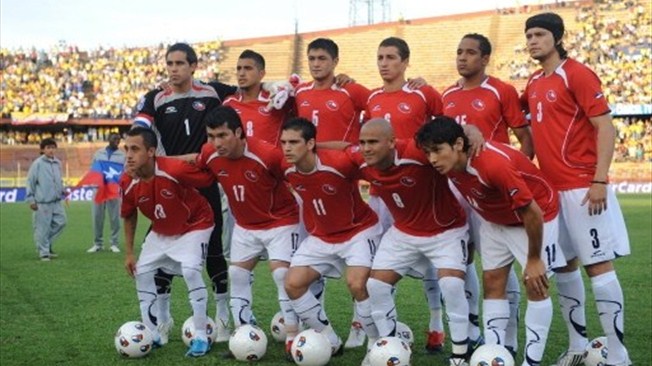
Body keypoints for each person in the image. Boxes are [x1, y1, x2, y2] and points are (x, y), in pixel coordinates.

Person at [522, 13, 631, 366]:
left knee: (598, 267)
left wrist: (599, 179)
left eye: (539, 34)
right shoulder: (535, 83)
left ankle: (618, 354)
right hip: (551, 194)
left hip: (584, 189)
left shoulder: (578, 74)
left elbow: (605, 127)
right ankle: (576, 347)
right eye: (528, 36)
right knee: (565, 267)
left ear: (557, 37)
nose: (532, 41)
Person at [415, 117, 567, 365]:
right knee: (493, 282)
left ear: (458, 144)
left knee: (535, 284)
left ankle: (532, 361)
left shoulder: (492, 164)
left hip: (535, 216)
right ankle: (494, 355)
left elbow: (532, 211)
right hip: (493, 219)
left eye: (437, 151)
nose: (432, 159)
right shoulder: (451, 160)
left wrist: (535, 258)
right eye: (428, 152)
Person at [132, 42, 235, 343]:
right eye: (170, 63)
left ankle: (224, 316)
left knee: (215, 250)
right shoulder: (155, 98)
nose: (174, 69)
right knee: (162, 247)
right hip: (167, 185)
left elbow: (250, 95)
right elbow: (140, 131)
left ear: (193, 66)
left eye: (179, 63)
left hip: (204, 184)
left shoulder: (214, 92)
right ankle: (163, 321)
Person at [346, 119, 471, 366]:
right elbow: (338, 149)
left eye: (373, 142)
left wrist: (472, 131)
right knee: (377, 286)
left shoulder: (417, 152)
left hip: (446, 230)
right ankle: (388, 348)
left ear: (392, 142)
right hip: (403, 232)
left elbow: (449, 140)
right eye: (362, 143)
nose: (366, 148)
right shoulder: (358, 159)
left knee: (452, 285)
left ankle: (460, 355)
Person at [442, 33, 535, 354]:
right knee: (460, 258)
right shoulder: (448, 95)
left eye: (470, 53)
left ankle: (507, 342)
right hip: (456, 188)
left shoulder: (501, 90)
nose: (462, 57)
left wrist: (514, 174)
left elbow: (525, 138)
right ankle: (470, 331)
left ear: (484, 59)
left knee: (500, 263)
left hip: (490, 190)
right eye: (459, 52)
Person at [357, 36, 451, 353]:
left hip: (423, 189)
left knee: (437, 261)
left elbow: (448, 130)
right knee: (380, 261)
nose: (384, 63)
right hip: (383, 191)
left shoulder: (423, 93)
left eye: (391, 57)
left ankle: (437, 325)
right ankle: (388, 333)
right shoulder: (371, 99)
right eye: (380, 57)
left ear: (406, 62)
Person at [195, 107, 301, 345]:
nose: (216, 142)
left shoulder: (268, 154)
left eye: (222, 135)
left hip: (280, 222)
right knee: (237, 273)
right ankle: (244, 335)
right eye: (211, 136)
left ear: (239, 132)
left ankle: (293, 338)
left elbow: (297, 176)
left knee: (282, 274)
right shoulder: (208, 154)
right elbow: (194, 166)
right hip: (245, 226)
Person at [280, 117, 383, 359]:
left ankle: (376, 344)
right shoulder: (284, 166)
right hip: (322, 237)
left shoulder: (340, 163)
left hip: (358, 231)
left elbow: (359, 151)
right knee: (292, 283)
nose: (286, 148)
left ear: (310, 143)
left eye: (294, 142)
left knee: (358, 284)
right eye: (283, 142)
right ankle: (329, 338)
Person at [121, 127, 214, 357]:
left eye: (135, 149)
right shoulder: (128, 181)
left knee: (191, 270)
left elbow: (208, 177)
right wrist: (130, 253)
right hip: (162, 231)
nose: (129, 155)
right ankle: (152, 334)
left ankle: (201, 336)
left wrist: (197, 157)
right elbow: (129, 214)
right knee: (141, 272)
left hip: (195, 224)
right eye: (126, 149)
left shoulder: (173, 168)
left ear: (151, 151)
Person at [294, 38, 371, 144]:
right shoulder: (299, 92)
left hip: (342, 160)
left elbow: (381, 107)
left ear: (335, 62)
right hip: (308, 159)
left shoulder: (351, 90)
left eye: (322, 59)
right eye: (311, 59)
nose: (316, 64)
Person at [223, 49, 292, 145]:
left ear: (261, 74)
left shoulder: (275, 99)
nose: (241, 73)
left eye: (248, 68)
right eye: (239, 68)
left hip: (271, 159)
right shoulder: (229, 103)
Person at [25, 138, 67, 261]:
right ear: (42, 150)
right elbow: (30, 182)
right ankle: (44, 252)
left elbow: (59, 180)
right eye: (48, 148)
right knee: (42, 227)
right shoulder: (37, 164)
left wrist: (63, 190)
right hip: (42, 202)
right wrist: (31, 200)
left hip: (56, 201)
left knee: (62, 222)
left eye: (53, 147)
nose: (51, 150)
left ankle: (44, 244)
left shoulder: (58, 163)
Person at [87, 133, 126, 253]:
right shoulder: (99, 153)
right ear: (108, 139)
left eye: (119, 139)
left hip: (113, 190)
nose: (117, 141)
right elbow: (93, 169)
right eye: (115, 138)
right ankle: (97, 243)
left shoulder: (122, 156)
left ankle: (114, 243)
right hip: (99, 189)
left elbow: (124, 173)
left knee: (115, 217)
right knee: (97, 217)